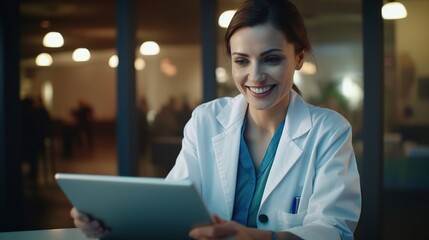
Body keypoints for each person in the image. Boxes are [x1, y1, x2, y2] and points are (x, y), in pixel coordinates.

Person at [70, 0, 361, 239]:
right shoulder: (206, 120)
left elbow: (333, 229)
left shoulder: (328, 132)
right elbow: (171, 208)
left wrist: (260, 238)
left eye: (272, 59)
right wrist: (108, 221)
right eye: (242, 61)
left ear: (298, 57)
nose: (255, 76)